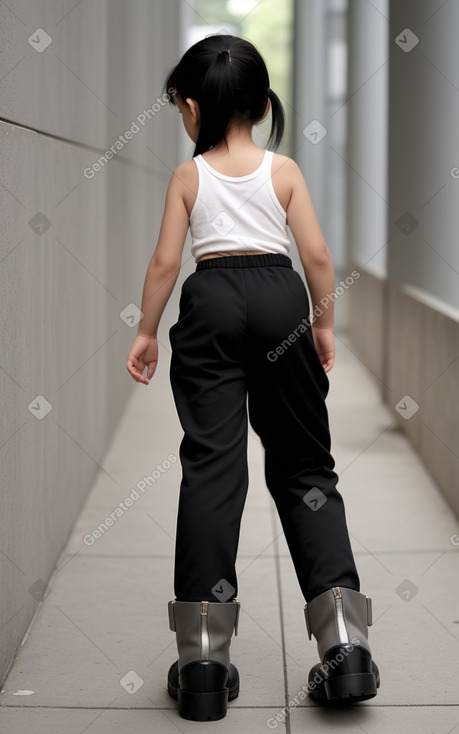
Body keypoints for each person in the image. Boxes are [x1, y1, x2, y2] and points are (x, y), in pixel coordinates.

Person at [126, 34, 379, 722]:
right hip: (280, 299)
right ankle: (343, 646)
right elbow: (317, 253)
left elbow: (161, 264)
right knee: (303, 466)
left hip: (209, 302)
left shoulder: (189, 177)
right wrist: (321, 325)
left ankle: (202, 660)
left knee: (211, 466)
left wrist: (146, 331)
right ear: (264, 105)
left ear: (190, 105)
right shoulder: (284, 170)